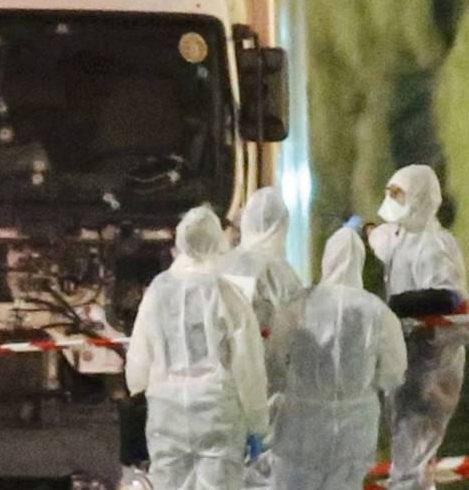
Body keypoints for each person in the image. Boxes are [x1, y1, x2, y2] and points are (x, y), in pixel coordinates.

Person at [126, 206, 268, 490]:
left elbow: (141, 348)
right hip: (216, 411)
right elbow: (247, 360)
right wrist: (257, 420)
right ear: (217, 240)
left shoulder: (159, 289)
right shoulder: (226, 292)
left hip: (167, 410)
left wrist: (137, 382)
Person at [270, 227, 407, 490]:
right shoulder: (377, 311)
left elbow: (275, 359)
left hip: (301, 423)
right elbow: (393, 373)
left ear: (327, 259)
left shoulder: (299, 303)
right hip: (355, 427)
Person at [368, 165, 467, 490]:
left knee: (413, 456)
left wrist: (396, 307)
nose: (392, 200)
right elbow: (379, 238)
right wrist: (362, 228)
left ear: (420, 197)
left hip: (432, 363)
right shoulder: (401, 236)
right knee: (408, 452)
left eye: (399, 194)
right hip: (408, 359)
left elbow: (447, 297)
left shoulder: (434, 245)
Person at [218, 187, 303, 487]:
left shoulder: (222, 264)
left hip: (219, 388)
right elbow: (296, 330)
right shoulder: (277, 270)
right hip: (265, 385)